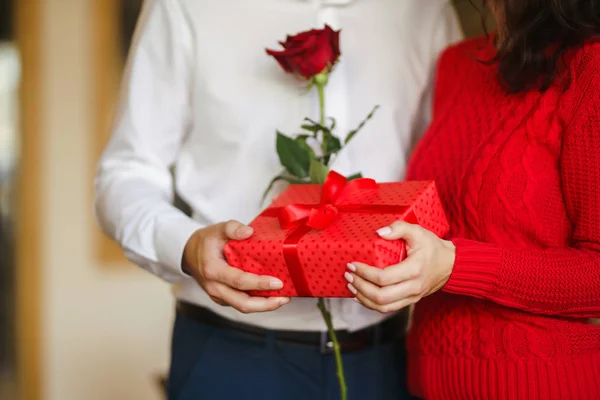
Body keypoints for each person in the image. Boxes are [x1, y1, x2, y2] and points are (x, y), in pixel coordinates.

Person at [94, 1, 462, 399]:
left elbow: (451, 164)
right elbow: (126, 173)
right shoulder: (184, 7)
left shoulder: (425, 9)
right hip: (231, 357)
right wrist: (187, 245)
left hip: (385, 359)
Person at [344, 1, 600, 399]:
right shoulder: (457, 62)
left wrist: (455, 265)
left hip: (542, 385)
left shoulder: (590, 66)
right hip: (425, 381)